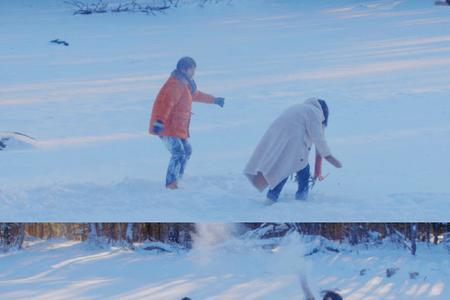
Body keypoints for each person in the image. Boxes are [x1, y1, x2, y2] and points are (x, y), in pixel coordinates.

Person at [244, 97, 342, 203]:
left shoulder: (300, 108)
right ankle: (300, 197)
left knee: (286, 168)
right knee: (291, 169)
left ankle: (273, 197)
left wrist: (318, 170)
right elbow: (318, 139)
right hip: (294, 142)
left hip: (281, 139)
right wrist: (329, 156)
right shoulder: (314, 112)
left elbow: (317, 141)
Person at [149, 57, 225, 189]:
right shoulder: (174, 85)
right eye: (192, 70)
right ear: (183, 69)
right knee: (178, 151)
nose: (194, 73)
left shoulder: (184, 84)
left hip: (177, 126)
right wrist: (159, 122)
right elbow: (165, 105)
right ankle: (171, 183)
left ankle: (178, 178)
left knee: (187, 150)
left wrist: (214, 100)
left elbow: (195, 95)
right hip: (166, 126)